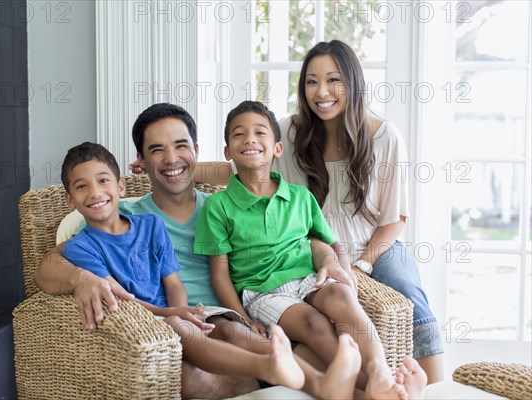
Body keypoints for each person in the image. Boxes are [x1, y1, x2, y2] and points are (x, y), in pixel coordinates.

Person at [153, 39, 444, 383]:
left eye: (334, 80)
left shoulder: (384, 137)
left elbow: (394, 219)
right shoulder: (289, 132)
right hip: (304, 251)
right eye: (311, 81)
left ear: (354, 83)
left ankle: (436, 386)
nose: (322, 91)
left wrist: (361, 264)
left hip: (374, 245)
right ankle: (364, 383)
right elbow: (239, 164)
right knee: (317, 319)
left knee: (409, 293)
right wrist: (176, 165)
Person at [36, 104, 364, 399]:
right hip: (175, 336)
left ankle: (365, 387)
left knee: (248, 335)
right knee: (187, 374)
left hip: (240, 322)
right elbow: (49, 265)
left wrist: (334, 259)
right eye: (157, 150)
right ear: (141, 162)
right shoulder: (127, 218)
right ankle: (281, 378)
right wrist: (82, 279)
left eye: (181, 146)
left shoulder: (225, 208)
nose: (171, 158)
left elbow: (303, 239)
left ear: (196, 150)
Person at [194, 100, 416, 400]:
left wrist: (339, 266)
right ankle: (370, 390)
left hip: (308, 278)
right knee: (316, 324)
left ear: (277, 149)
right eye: (238, 134)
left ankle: (380, 372)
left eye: (260, 133)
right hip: (263, 291)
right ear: (227, 153)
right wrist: (243, 319)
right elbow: (219, 274)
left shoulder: (300, 197)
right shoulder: (217, 206)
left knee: (342, 295)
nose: (249, 139)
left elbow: (330, 242)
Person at [59, 141, 307, 392]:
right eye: (81, 186)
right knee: (181, 328)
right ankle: (266, 368)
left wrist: (181, 310)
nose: (94, 192)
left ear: (120, 186)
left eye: (103, 181)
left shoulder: (150, 225)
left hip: (174, 312)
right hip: (139, 323)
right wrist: (171, 315)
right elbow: (121, 299)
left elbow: (174, 282)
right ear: (70, 199)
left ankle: (306, 374)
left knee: (224, 326)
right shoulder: (79, 247)